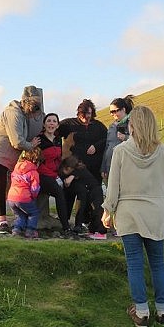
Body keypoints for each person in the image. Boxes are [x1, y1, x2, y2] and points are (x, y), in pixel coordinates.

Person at [101, 105, 164, 327]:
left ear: (131, 126)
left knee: (134, 264)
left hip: (128, 213)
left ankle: (142, 313)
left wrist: (108, 210)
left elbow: (113, 186)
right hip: (155, 213)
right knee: (158, 263)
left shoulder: (121, 151)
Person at [0, 86, 44, 234]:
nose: (36, 106)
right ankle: (2, 222)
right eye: (34, 103)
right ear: (26, 101)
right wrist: (31, 145)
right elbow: (17, 141)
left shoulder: (22, 113)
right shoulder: (13, 113)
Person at [57, 99, 107, 233]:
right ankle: (65, 221)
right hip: (73, 167)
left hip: (93, 168)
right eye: (83, 115)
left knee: (93, 195)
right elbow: (54, 132)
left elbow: (106, 140)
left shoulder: (98, 126)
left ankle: (89, 222)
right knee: (69, 194)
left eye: (89, 114)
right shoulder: (69, 124)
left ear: (93, 113)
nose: (86, 118)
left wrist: (96, 146)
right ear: (79, 114)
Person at [59, 155, 108, 239]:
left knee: (97, 210)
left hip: (94, 191)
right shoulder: (74, 173)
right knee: (90, 211)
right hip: (89, 191)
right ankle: (92, 230)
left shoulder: (80, 171)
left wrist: (72, 177)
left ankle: (101, 231)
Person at [37, 113, 71, 232]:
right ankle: (65, 226)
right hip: (42, 175)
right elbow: (37, 163)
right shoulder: (39, 140)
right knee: (58, 192)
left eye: (54, 121)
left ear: (57, 125)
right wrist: (55, 177)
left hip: (54, 175)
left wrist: (63, 175)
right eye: (49, 121)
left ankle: (65, 221)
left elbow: (58, 161)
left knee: (68, 188)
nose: (51, 123)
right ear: (44, 124)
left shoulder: (57, 140)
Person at [7, 147, 42, 238]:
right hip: (23, 197)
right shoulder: (33, 172)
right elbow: (34, 188)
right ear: (36, 161)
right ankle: (30, 231)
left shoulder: (17, 167)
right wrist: (33, 197)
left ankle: (16, 230)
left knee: (20, 215)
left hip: (11, 197)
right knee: (33, 213)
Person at [101, 95, 135, 184]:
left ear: (123, 109)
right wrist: (103, 167)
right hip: (110, 167)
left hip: (126, 168)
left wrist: (126, 138)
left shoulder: (133, 123)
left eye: (114, 111)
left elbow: (140, 142)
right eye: (111, 112)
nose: (112, 114)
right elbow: (107, 147)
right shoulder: (112, 127)